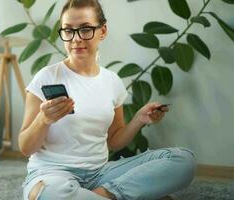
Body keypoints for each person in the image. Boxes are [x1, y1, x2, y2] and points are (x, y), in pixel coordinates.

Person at [18, 0, 196, 199]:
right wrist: (44, 119)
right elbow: (25, 147)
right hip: (52, 175)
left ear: (102, 31)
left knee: (183, 160)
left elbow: (114, 141)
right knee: (50, 193)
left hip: (100, 174)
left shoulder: (112, 82)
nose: (76, 38)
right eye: (68, 30)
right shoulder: (46, 77)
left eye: (85, 29)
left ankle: (102, 194)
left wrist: (138, 119)